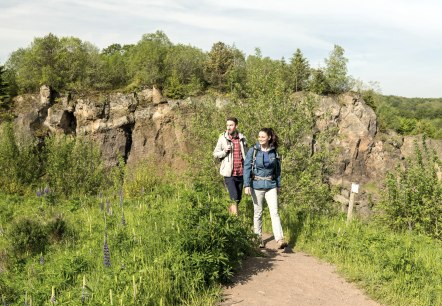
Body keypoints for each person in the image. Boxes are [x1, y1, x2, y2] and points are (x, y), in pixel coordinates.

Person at [243, 128, 288, 249]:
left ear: (269, 137)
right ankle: (258, 239)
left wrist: (278, 185)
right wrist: (246, 185)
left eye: (263, 137)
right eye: (259, 137)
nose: (260, 139)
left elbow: (277, 171)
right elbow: (246, 167)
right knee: (258, 213)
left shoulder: (274, 152)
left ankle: (279, 239)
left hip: (271, 185)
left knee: (275, 212)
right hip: (256, 185)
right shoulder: (253, 151)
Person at [213, 117, 247, 215]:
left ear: (236, 126)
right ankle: (236, 220)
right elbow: (215, 154)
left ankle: (230, 214)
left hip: (241, 173)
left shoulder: (242, 138)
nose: (229, 127)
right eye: (227, 125)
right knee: (234, 197)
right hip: (229, 174)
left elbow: (246, 155)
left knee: (238, 198)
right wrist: (224, 151)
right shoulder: (223, 138)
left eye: (231, 125)